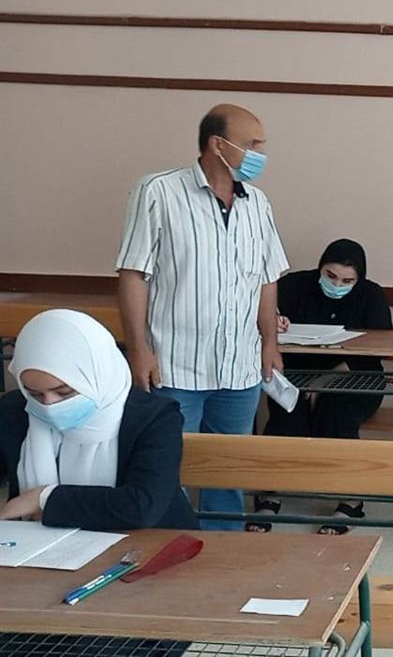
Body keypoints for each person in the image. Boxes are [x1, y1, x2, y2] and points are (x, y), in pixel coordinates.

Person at [114, 103, 289, 530]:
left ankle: (222, 548)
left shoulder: (257, 203)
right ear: (218, 145)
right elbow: (134, 273)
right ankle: (167, 548)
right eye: (252, 145)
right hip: (174, 365)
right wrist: (138, 350)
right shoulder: (158, 192)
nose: (260, 154)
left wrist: (269, 343)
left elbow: (266, 279)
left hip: (240, 367)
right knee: (165, 470)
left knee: (228, 470)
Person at [0, 310, 198, 530]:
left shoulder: (155, 417)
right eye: (34, 394)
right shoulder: (15, 410)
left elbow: (141, 506)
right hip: (40, 543)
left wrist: (44, 498)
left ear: (97, 374)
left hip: (152, 541)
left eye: (64, 392)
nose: (49, 405)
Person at [249, 239, 393, 534]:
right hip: (297, 375)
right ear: (320, 268)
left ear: (359, 279)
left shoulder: (371, 296)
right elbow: (262, 320)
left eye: (347, 281)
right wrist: (274, 322)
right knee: (287, 413)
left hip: (355, 378)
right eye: (330, 276)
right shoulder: (293, 286)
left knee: (337, 412)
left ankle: (350, 499)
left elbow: (378, 349)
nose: (337, 285)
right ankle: (269, 493)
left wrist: (328, 380)